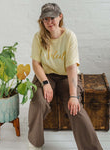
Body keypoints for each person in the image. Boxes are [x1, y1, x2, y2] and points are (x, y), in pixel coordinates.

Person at [28, 3, 103, 150]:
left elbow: (71, 67)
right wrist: (45, 83)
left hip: (66, 77)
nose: (49, 22)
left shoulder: (69, 36)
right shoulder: (38, 37)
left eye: (53, 18)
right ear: (42, 21)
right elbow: (36, 63)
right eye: (46, 19)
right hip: (46, 75)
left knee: (75, 108)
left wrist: (73, 96)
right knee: (38, 101)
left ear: (60, 17)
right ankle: (34, 143)